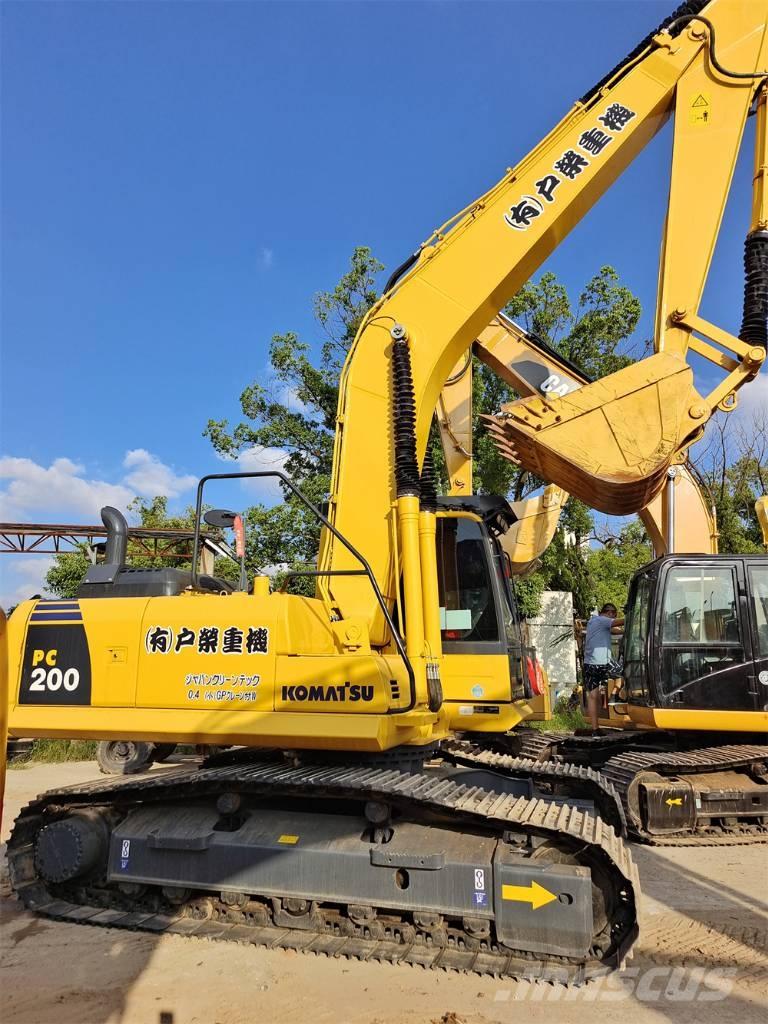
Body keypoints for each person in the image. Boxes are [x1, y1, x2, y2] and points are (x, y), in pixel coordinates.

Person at [582, 602, 625, 734]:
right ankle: (615, 696)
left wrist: (624, 631)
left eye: (614, 613)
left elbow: (615, 630)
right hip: (603, 663)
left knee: (593, 696)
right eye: (611, 613)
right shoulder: (603, 620)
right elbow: (620, 623)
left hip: (589, 664)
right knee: (625, 673)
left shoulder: (593, 622)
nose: (612, 615)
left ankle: (595, 729)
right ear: (606, 613)